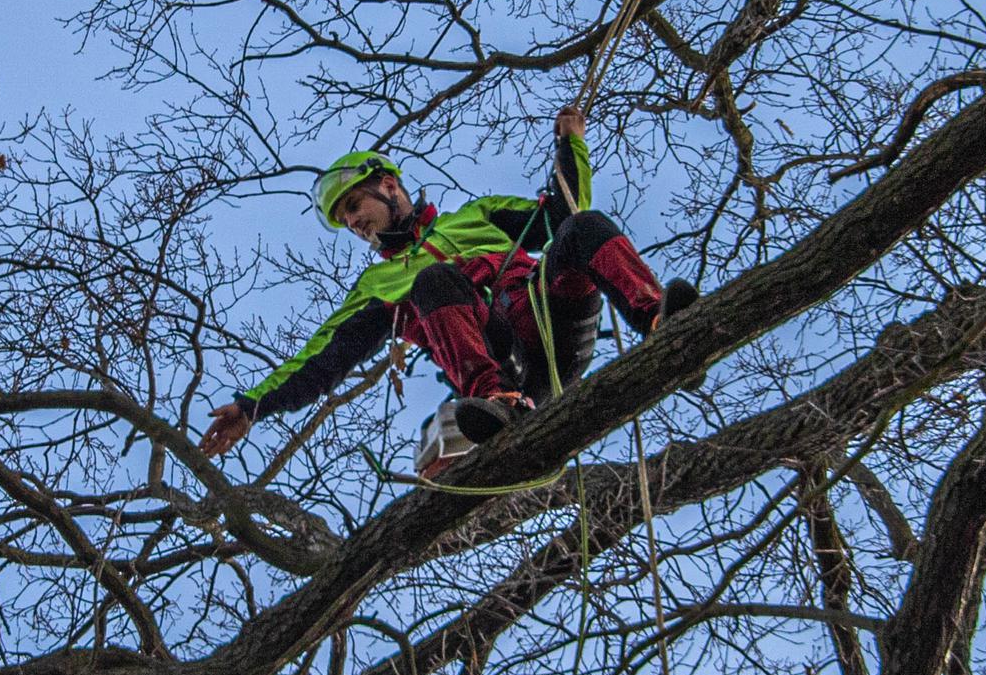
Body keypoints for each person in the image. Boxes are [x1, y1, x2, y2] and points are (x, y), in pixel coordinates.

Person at [198, 101, 691, 481]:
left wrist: (571, 145)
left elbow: (565, 211)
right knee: (433, 281)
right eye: (344, 220)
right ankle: (497, 401)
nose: (352, 223)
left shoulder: (477, 215)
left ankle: (660, 321)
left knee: (583, 227)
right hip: (508, 367)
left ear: (387, 186)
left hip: (551, 317)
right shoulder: (378, 286)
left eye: (353, 207)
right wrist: (252, 406)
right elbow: (323, 356)